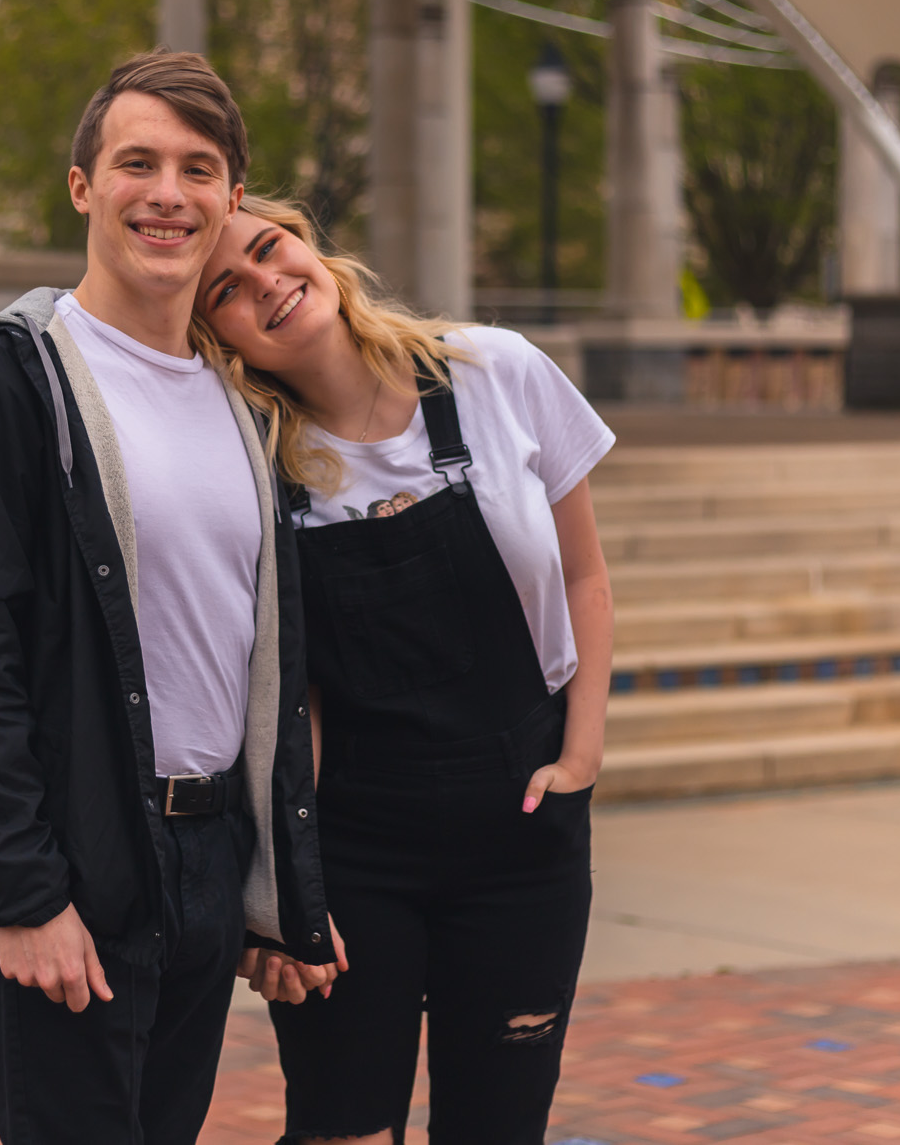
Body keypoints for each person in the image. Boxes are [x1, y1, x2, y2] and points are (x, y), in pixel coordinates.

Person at [0, 54, 332, 1145]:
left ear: (231, 198)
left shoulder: (241, 405)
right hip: (74, 862)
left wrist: (268, 888)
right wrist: (22, 894)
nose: (166, 192)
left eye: (198, 169)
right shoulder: (7, 379)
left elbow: (263, 660)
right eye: (135, 162)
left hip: (203, 864)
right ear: (82, 187)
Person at [191, 195, 616, 1145]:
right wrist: (281, 887)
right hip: (353, 847)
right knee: (341, 1128)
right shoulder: (250, 461)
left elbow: (586, 576)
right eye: (227, 289)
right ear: (214, 333)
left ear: (310, 245)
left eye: (271, 248)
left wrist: (581, 758)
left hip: (522, 830)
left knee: (498, 1127)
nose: (267, 283)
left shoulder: (495, 372)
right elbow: (284, 693)